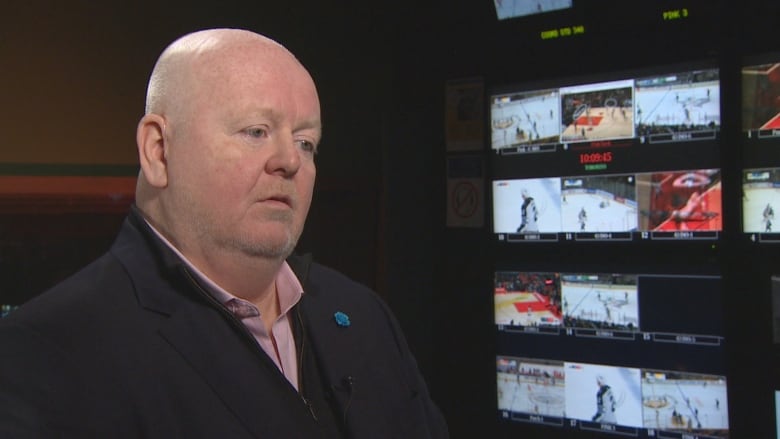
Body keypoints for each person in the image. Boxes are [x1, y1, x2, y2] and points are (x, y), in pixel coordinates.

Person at [0, 28, 448, 438]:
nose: (290, 161)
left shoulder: (365, 315)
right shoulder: (44, 357)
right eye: (256, 131)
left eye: (306, 142)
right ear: (158, 150)